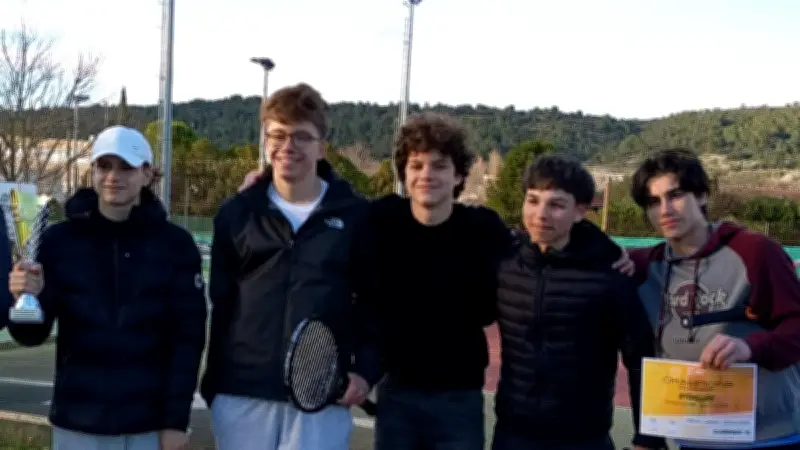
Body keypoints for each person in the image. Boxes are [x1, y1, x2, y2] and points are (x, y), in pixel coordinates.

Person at [238, 112, 638, 449]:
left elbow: (545, 233)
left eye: (440, 165)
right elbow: (329, 199)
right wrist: (271, 182)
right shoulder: (379, 220)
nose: (427, 175)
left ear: (459, 174)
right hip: (397, 394)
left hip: (460, 397)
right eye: (416, 165)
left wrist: (604, 246)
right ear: (404, 173)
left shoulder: (484, 229)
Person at [200, 82, 381, 450]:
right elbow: (222, 302)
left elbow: (375, 304)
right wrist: (216, 386)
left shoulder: (356, 216)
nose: (288, 146)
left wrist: (365, 371)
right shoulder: (237, 213)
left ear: (322, 146)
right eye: (278, 135)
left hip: (320, 399)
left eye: (302, 136)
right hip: (242, 395)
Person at [7, 125, 207, 450]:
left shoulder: (176, 246)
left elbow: (187, 342)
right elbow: (31, 335)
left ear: (147, 174)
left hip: (147, 426)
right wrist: (24, 298)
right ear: (94, 172)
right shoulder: (59, 241)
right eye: (104, 166)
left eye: (126, 167)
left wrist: (175, 422)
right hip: (77, 423)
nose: (114, 176)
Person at [628, 148, 800, 450]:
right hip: (694, 435)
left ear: (702, 196)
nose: (665, 210)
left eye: (675, 195)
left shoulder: (755, 252)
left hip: (769, 437)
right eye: (653, 202)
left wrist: (750, 347)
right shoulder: (643, 267)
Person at [490, 154, 665, 450]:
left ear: (580, 211)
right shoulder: (505, 263)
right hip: (512, 434)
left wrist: (649, 437)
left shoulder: (610, 275)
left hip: (584, 438)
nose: (541, 214)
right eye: (533, 201)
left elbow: (640, 361)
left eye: (556, 205)